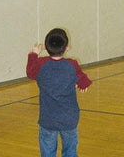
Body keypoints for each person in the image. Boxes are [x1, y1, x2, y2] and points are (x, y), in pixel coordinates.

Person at [26, 28, 92, 157]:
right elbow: (84, 82)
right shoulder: (72, 65)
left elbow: (30, 72)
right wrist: (82, 85)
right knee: (70, 150)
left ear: (46, 46)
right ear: (67, 48)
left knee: (48, 151)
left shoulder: (40, 64)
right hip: (69, 118)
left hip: (48, 119)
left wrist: (33, 54)